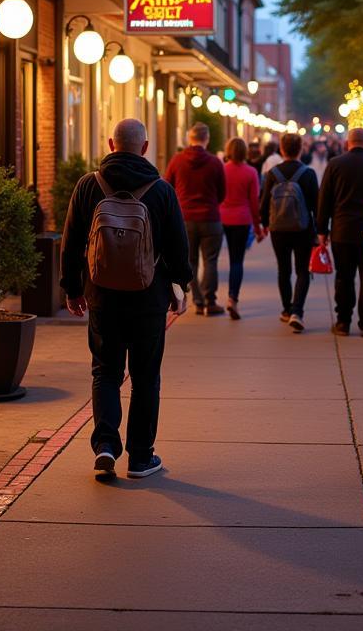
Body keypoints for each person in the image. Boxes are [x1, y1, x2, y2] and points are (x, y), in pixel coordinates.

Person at [61, 119, 191, 481]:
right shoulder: (161, 191)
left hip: (102, 296)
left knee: (105, 371)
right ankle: (140, 458)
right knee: (146, 376)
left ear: (110, 144)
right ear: (145, 147)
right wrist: (181, 285)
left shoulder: (89, 186)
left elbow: (71, 242)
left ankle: (105, 445)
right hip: (148, 297)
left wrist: (72, 288)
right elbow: (178, 247)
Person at [317, 127, 363, 337]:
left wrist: (322, 229)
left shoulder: (334, 165)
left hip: (342, 231)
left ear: (347, 144)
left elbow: (325, 200)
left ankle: (343, 321)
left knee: (344, 277)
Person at [260, 131, 319, 332]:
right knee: (303, 270)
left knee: (283, 270)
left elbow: (264, 202)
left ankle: (286, 309)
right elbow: (315, 205)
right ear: (300, 149)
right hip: (303, 229)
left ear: (282, 149)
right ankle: (297, 311)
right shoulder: (308, 173)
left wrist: (264, 223)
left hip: (278, 229)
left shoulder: (273, 174)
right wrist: (319, 230)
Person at [165, 122, 226, 315]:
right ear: (206, 138)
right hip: (210, 217)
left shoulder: (177, 161)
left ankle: (198, 300)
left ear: (189, 138)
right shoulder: (215, 162)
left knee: (190, 260)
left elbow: (167, 187)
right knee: (211, 260)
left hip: (185, 218)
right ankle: (210, 301)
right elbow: (222, 192)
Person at [220, 137, 265, 319]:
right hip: (242, 218)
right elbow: (254, 203)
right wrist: (257, 227)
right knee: (236, 261)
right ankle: (232, 299)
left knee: (212, 259)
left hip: (221, 217)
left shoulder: (221, 170)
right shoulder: (251, 172)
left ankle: (209, 297)